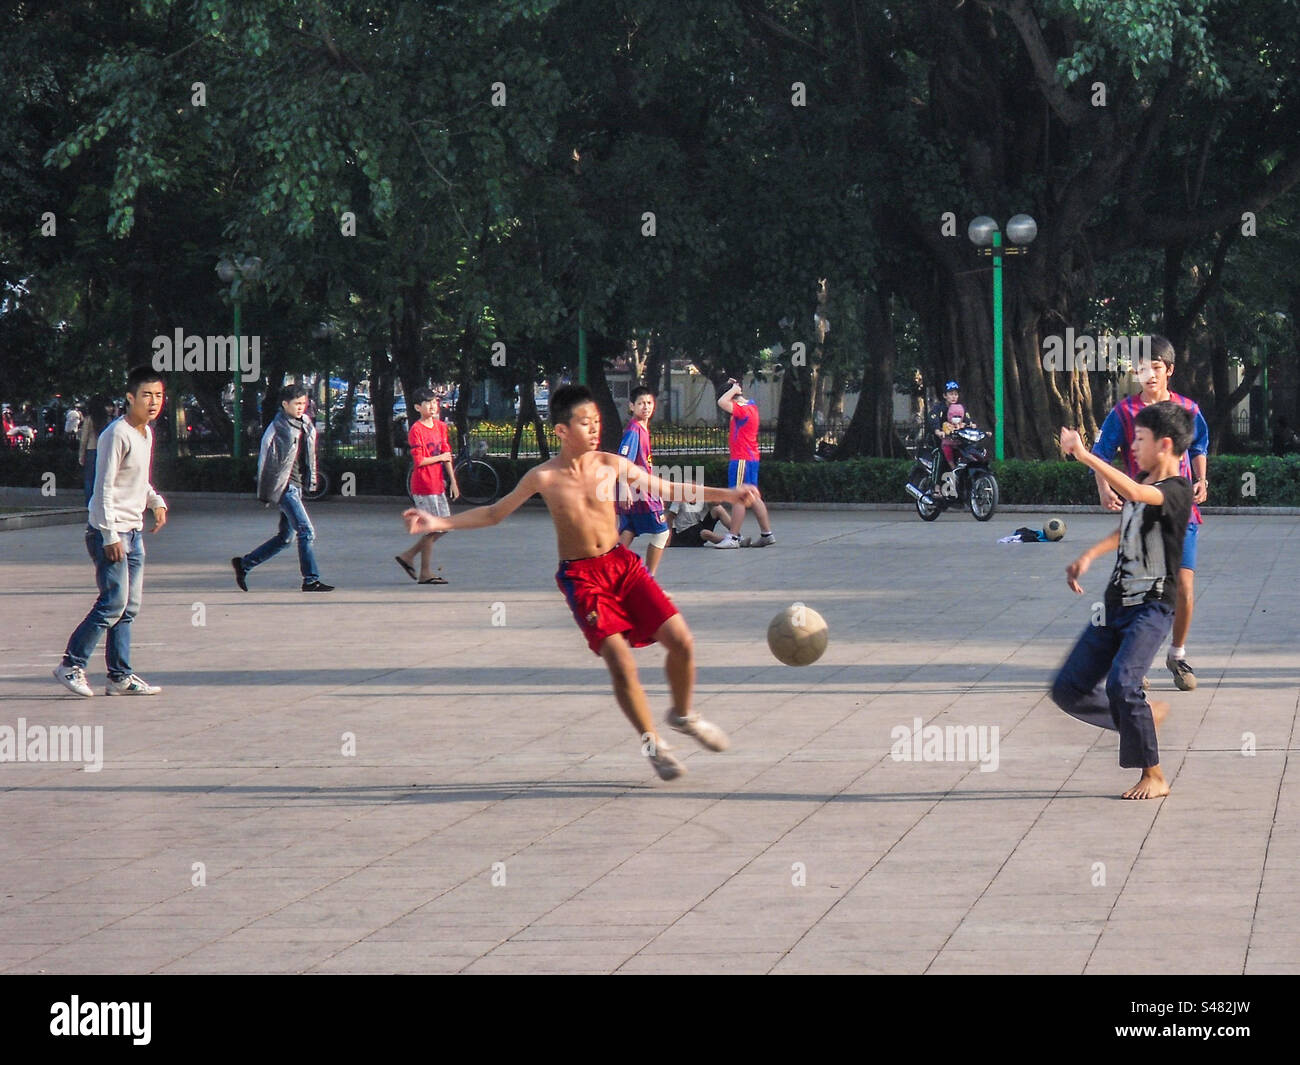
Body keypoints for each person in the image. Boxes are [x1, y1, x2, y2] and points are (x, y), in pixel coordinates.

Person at [403, 384, 760, 780]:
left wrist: (727, 492)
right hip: (582, 577)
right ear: (561, 431)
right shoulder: (544, 477)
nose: (594, 429)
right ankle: (652, 743)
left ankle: (682, 713)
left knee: (682, 640)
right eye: (585, 423)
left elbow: (668, 488)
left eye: (597, 422)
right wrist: (439, 522)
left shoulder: (610, 464)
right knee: (621, 663)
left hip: (621, 564)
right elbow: (493, 514)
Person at [1052, 402, 1194, 800]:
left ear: (1164, 445)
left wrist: (1084, 455)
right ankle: (1144, 719)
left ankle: (1155, 775)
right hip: (1114, 607)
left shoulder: (1177, 491)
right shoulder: (1145, 485)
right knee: (1068, 689)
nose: (1132, 446)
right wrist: (1088, 556)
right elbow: (1127, 526)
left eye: (1141, 439)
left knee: (1122, 683)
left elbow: (1133, 492)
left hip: (1151, 609)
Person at [1092, 336, 1208, 691]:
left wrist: (1202, 479)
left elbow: (1200, 445)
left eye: (1156, 367)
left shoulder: (1188, 408)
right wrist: (1103, 488)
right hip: (1142, 515)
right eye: (1142, 368)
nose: (1149, 374)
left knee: (1184, 587)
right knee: (1139, 593)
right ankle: (1134, 661)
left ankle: (1177, 654)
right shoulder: (1124, 412)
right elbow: (1101, 452)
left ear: (1169, 370)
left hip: (1180, 513)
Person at [52, 366, 169, 698]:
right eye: (146, 395)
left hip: (134, 531)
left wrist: (155, 501)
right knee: (112, 603)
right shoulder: (115, 434)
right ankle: (70, 665)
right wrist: (109, 535)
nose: (153, 402)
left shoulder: (145, 433)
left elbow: (136, 480)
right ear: (130, 398)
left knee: (128, 607)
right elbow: (102, 488)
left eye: (159, 395)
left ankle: (120, 676)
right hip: (111, 531)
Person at [231, 384, 334, 592]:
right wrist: (266, 492)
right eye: (297, 404)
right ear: (285, 404)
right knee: (306, 531)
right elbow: (264, 460)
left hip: (296, 486)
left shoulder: (304, 423)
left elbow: (309, 456)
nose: (301, 407)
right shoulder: (277, 428)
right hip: (284, 487)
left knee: (285, 538)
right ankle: (310, 580)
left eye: (303, 403)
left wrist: (311, 481)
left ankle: (244, 564)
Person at [395, 388, 459, 584]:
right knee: (434, 528)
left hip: (437, 483)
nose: (432, 406)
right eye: (427, 403)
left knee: (443, 526)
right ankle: (424, 572)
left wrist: (453, 481)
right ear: (417, 407)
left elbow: (447, 455)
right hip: (423, 484)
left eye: (434, 402)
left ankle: (409, 556)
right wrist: (440, 457)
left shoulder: (441, 427)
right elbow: (419, 461)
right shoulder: (416, 430)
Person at [615, 386, 670, 575]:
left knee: (628, 530)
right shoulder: (634, 431)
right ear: (631, 406)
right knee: (662, 533)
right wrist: (624, 486)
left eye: (648, 403)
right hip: (639, 492)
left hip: (641, 491)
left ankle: (609, 572)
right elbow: (622, 460)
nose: (645, 407)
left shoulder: (641, 429)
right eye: (640, 403)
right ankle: (649, 578)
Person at [714, 378, 774, 548]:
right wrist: (731, 387)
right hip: (751, 458)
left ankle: (733, 537)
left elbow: (722, 402)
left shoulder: (741, 409)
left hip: (741, 459)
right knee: (753, 497)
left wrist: (732, 389)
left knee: (738, 497)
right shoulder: (752, 407)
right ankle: (766, 534)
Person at [79, 394, 116, 505]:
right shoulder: (108, 420)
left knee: (89, 479)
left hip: (91, 450)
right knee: (102, 478)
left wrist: (81, 455)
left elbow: (84, 439)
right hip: (105, 451)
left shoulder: (89, 419)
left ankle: (89, 502)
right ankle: (101, 501)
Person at [666, 498, 733, 547]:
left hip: (698, 526)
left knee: (718, 509)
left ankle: (735, 534)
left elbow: (716, 503)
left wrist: (712, 498)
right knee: (706, 533)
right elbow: (669, 519)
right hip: (685, 532)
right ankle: (733, 541)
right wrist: (668, 538)